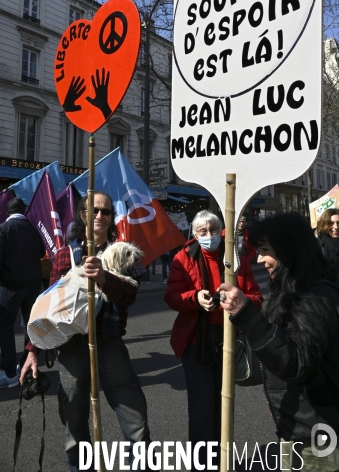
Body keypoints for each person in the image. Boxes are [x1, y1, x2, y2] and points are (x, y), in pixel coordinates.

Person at [20, 191, 151, 472]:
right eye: (95, 211)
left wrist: (104, 277)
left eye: (106, 212)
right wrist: (32, 352)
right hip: (72, 349)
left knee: (135, 422)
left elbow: (130, 294)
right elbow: (47, 306)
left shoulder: (123, 251)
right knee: (75, 427)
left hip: (110, 343)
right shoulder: (64, 255)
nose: (100, 216)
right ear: (83, 216)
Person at [219, 212, 339, 471]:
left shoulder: (316, 296)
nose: (260, 259)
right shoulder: (288, 288)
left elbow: (295, 362)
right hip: (295, 427)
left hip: (316, 434)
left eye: (264, 250)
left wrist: (247, 315)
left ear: (288, 250)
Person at [164, 210, 263, 470]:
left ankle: (222, 462)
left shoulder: (236, 258)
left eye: (212, 230)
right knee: (201, 412)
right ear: (194, 234)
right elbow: (172, 296)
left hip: (231, 343)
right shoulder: (182, 258)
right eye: (202, 232)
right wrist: (194, 298)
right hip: (197, 343)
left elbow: (256, 297)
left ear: (221, 230)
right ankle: (202, 465)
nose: (208, 236)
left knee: (224, 407)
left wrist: (240, 301)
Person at [0, 197, 45, 389]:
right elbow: (42, 252)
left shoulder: (3, 229)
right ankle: (26, 362)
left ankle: (9, 373)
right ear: (24, 211)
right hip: (33, 285)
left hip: (10, 286)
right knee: (30, 326)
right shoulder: (33, 230)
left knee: (5, 326)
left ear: (8, 213)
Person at [315, 208, 339, 284]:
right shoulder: (317, 244)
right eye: (331, 223)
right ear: (324, 224)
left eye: (338, 223)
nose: (336, 227)